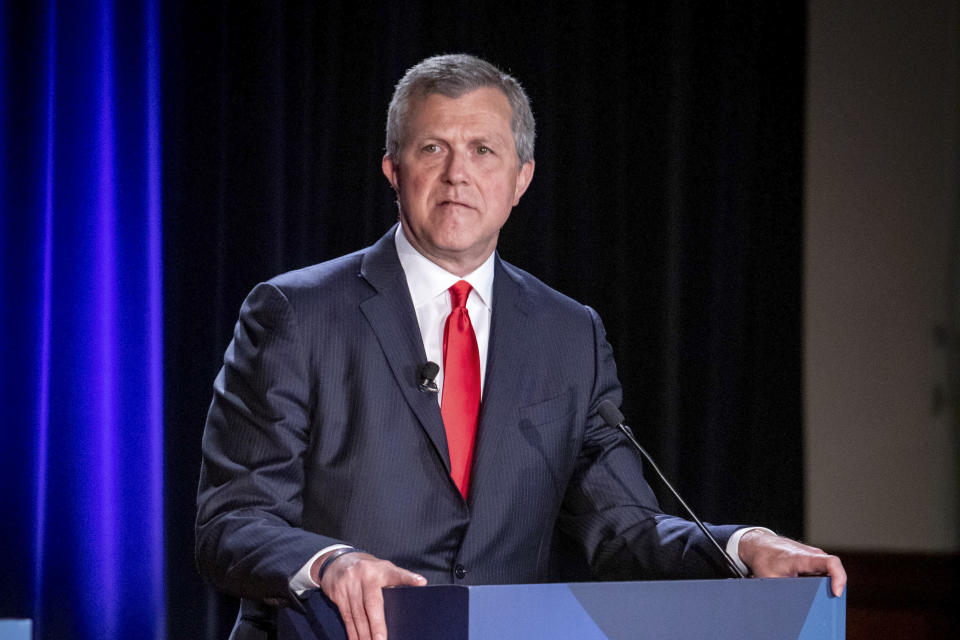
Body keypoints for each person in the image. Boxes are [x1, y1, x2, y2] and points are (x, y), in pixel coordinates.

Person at [196, 54, 845, 640]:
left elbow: (622, 526)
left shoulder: (570, 334)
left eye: (484, 150)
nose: (458, 174)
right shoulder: (295, 313)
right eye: (432, 148)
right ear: (393, 169)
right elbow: (232, 521)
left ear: (522, 177)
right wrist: (331, 563)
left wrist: (741, 547)